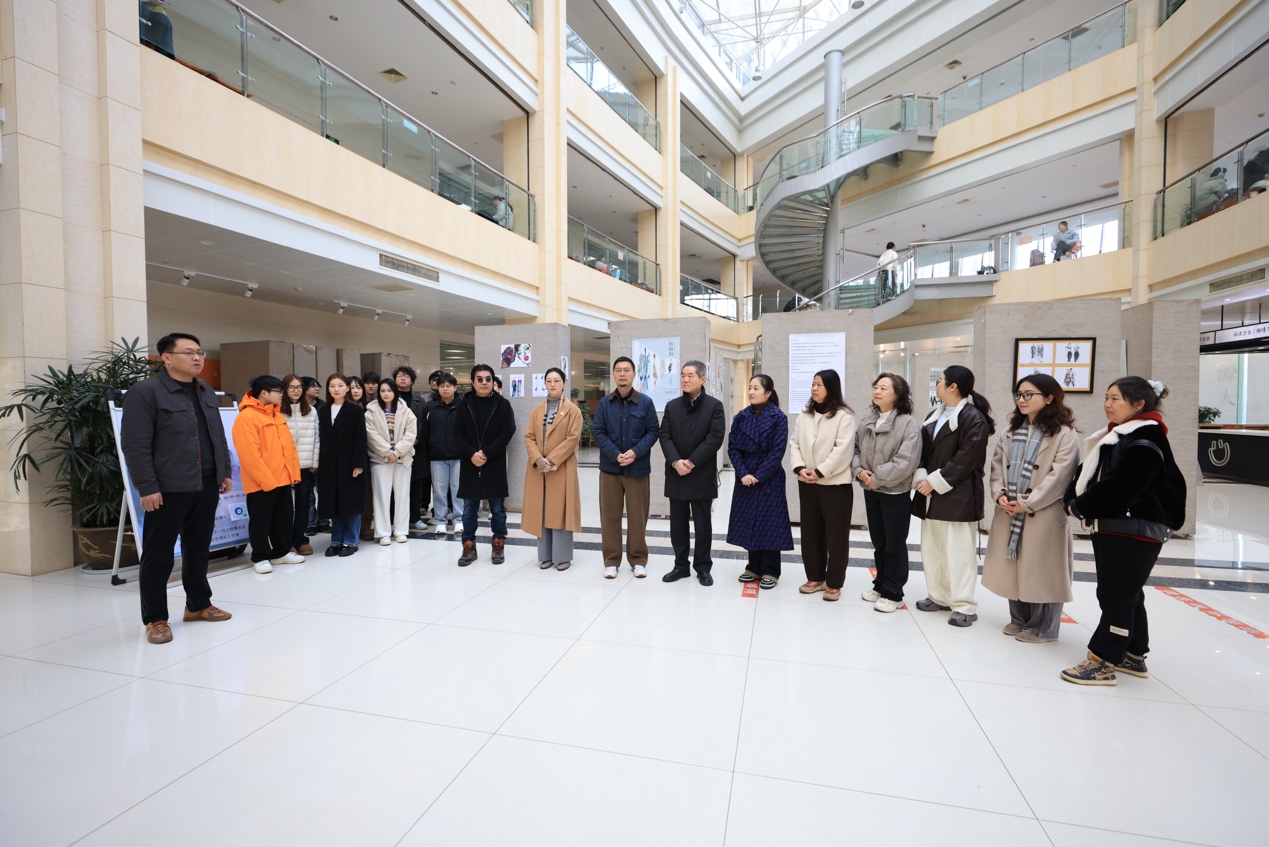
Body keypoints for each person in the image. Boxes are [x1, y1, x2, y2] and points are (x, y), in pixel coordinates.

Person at [1060, 377, 1186, 686]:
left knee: (1115, 595)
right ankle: (1133, 653)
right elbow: (1091, 474)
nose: (1108, 404)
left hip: (1134, 528)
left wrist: (1080, 506)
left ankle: (1102, 661)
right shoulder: (1123, 434)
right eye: (1107, 397)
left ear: (1139, 404)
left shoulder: (1145, 437)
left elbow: (1122, 485)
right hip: (1120, 526)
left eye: (1115, 398)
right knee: (1127, 592)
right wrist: (1074, 500)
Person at [121, 332, 234, 645]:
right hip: (168, 488)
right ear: (166, 358)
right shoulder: (145, 392)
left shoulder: (205, 390)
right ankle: (156, 618)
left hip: (206, 483)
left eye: (199, 352)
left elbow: (218, 436)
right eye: (188, 352)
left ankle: (198, 605)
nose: (197, 358)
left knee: (199, 548)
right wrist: (147, 487)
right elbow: (135, 444)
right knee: (158, 555)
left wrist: (223, 471)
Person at [982, 375, 1081, 643]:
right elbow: (996, 468)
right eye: (1019, 394)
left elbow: (1060, 477)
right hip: (1010, 510)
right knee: (1014, 565)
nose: (1021, 400)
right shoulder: (1010, 431)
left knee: (1043, 571)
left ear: (1049, 398)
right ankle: (1020, 619)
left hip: (1043, 512)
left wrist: (1027, 502)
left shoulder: (1064, 434)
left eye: (1028, 394)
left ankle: (1045, 628)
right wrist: (1000, 494)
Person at [912, 365, 995, 627]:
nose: (937, 385)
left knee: (959, 553)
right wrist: (922, 477)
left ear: (953, 387)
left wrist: (934, 482)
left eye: (940, 381)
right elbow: (922, 452)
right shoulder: (933, 415)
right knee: (933, 550)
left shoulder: (974, 418)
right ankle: (938, 596)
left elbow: (966, 459)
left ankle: (964, 605)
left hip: (959, 497)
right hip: (931, 494)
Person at [853, 373, 923, 613]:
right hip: (870, 489)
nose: (877, 391)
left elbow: (906, 461)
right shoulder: (868, 420)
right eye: (876, 386)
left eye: (884, 388)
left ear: (897, 394)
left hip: (895, 492)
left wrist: (876, 478)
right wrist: (860, 472)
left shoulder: (908, 423)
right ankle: (881, 584)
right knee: (879, 541)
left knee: (894, 543)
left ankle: (894, 593)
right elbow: (855, 450)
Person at [791, 370, 857, 601]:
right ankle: (815, 577)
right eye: (813, 384)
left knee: (836, 536)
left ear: (831, 388)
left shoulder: (844, 416)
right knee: (811, 532)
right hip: (807, 482)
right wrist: (800, 468)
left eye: (819, 384)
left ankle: (834, 582)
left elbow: (843, 450)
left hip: (835, 484)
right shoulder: (804, 415)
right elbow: (794, 444)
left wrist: (820, 472)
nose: (814, 388)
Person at [592, 356, 660, 579]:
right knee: (609, 517)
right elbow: (597, 432)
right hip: (610, 470)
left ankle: (638, 560)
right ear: (613, 374)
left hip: (637, 469)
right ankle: (611, 561)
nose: (622, 374)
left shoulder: (646, 402)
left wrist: (635, 452)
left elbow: (653, 431)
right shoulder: (604, 404)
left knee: (637, 517)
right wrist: (615, 454)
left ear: (633, 374)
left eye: (626, 370)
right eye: (618, 370)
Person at [659, 360, 726, 586]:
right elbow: (664, 436)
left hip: (701, 473)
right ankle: (680, 566)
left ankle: (703, 567)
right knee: (678, 524)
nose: (685, 379)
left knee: (703, 524)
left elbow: (715, 438)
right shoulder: (672, 406)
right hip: (676, 473)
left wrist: (691, 462)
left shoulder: (714, 406)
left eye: (690, 376)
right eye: (683, 375)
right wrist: (676, 461)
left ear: (702, 379)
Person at [727, 374, 793, 589]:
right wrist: (743, 473)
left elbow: (777, 452)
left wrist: (758, 475)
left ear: (768, 393)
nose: (751, 392)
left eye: (756, 388)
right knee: (750, 520)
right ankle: (753, 566)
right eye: (750, 387)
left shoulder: (778, 417)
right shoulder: (741, 416)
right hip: (745, 476)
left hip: (769, 477)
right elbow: (732, 448)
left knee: (770, 523)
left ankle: (771, 570)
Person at [232, 375, 303, 575]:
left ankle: (281, 552)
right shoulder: (246, 417)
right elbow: (249, 455)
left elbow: (289, 447)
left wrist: (294, 473)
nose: (282, 395)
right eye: (278, 392)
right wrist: (267, 481)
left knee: (283, 518)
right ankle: (260, 557)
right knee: (261, 521)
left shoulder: (276, 415)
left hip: (283, 478)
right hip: (261, 482)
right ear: (264, 393)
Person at [455, 364, 516, 565]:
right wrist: (472, 453)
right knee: (469, 509)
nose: (484, 382)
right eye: (479, 379)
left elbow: (508, 431)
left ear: (493, 381)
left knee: (497, 509)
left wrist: (486, 452)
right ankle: (468, 546)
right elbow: (457, 433)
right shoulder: (463, 405)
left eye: (488, 379)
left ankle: (498, 543)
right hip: (470, 463)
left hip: (494, 462)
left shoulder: (502, 404)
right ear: (472, 382)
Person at [523, 368, 583, 571]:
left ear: (564, 383)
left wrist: (551, 460)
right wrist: (538, 459)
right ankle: (545, 555)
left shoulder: (573, 410)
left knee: (560, 510)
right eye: (549, 381)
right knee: (542, 509)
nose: (552, 384)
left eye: (557, 380)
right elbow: (529, 436)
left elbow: (572, 439)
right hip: (538, 469)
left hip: (562, 467)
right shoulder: (537, 410)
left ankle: (562, 556)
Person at [317, 373, 368, 557]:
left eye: (340, 385)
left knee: (350, 503)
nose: (336, 389)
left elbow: (360, 439)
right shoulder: (323, 410)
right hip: (329, 464)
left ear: (347, 388)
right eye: (332, 386)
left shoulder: (355, 410)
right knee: (334, 503)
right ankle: (336, 540)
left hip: (350, 463)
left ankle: (351, 540)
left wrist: (358, 464)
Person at [365, 379, 417, 545]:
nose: (386, 394)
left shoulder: (406, 411)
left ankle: (401, 531)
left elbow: (411, 435)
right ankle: (383, 533)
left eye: (389, 390)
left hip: (403, 459)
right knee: (381, 496)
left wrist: (397, 452)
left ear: (395, 392)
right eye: (382, 391)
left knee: (402, 496)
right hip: (380, 460)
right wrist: (388, 452)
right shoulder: (370, 412)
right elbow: (371, 436)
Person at [420, 372, 464, 534]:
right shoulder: (430, 407)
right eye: (442, 386)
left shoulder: (463, 406)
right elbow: (424, 431)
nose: (445, 389)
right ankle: (440, 520)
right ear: (437, 388)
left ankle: (459, 519)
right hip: (436, 455)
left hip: (459, 455)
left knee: (458, 489)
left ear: (455, 388)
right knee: (439, 491)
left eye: (448, 386)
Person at [280, 374, 319, 557]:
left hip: (305, 465)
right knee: (285, 507)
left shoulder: (311, 411)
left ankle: (300, 539)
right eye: (291, 387)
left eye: (299, 387)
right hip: (284, 466)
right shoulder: (278, 411)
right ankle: (285, 541)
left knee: (303, 504)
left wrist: (314, 461)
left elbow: (317, 438)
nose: (296, 391)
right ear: (284, 389)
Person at [394, 366, 431, 529]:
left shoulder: (420, 401)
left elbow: (424, 424)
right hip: (394, 449)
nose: (403, 378)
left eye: (406, 376)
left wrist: (414, 440)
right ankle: (395, 519)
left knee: (415, 485)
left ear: (412, 381)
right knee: (395, 487)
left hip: (416, 449)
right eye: (399, 376)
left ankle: (415, 518)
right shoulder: (389, 398)